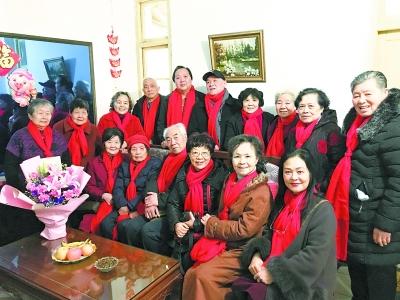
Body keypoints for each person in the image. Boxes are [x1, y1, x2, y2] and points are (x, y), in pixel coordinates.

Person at [326, 71, 400, 300]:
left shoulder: (393, 127)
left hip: (378, 222)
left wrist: (384, 224)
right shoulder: (357, 123)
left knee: (378, 285)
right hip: (358, 215)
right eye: (356, 95)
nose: (361, 100)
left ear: (385, 94)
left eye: (368, 94)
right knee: (358, 280)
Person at [233, 149, 336, 300]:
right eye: (288, 172)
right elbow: (269, 233)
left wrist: (275, 274)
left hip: (302, 282)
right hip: (272, 267)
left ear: (310, 173)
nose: (294, 177)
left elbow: (315, 255)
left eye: (300, 172)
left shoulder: (323, 209)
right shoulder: (282, 202)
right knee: (237, 288)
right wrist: (256, 254)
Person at [182, 134, 272, 299]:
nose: (242, 161)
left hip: (242, 248)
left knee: (200, 275)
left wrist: (212, 224)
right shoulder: (230, 180)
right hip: (224, 241)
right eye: (237, 156)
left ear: (257, 158)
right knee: (191, 270)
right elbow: (221, 211)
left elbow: (244, 229)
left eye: (247, 156)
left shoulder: (261, 191)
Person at [1, 98, 68, 245]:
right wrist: (19, 189)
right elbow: (10, 165)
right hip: (26, 193)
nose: (45, 116)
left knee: (53, 232)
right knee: (30, 236)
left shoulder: (58, 136)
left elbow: (66, 163)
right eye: (40, 113)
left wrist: (63, 185)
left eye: (48, 113)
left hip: (53, 192)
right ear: (30, 115)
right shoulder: (19, 136)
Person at [166, 132, 228, 271]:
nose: (200, 157)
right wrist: (176, 224)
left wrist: (195, 224)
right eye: (195, 153)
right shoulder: (183, 172)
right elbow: (173, 203)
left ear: (211, 154)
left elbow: (220, 211)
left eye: (204, 153)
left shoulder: (221, 175)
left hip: (208, 227)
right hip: (185, 220)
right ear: (188, 154)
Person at [100, 134, 161, 244]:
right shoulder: (124, 165)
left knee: (126, 227)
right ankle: (111, 253)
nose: (138, 152)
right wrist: (122, 205)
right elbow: (118, 187)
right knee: (105, 224)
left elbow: (147, 189)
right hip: (124, 204)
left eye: (141, 148)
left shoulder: (154, 164)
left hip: (141, 204)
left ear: (147, 150)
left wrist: (129, 207)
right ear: (129, 151)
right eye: (134, 149)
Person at [140, 123, 188, 255]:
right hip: (159, 203)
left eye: (176, 137)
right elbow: (154, 177)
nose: (172, 142)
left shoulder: (189, 159)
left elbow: (181, 191)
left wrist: (158, 200)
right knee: (127, 226)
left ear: (185, 137)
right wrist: (151, 197)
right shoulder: (168, 157)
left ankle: (163, 266)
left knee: (147, 230)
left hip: (174, 208)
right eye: (168, 139)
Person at [285, 88, 344, 193]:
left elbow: (338, 165)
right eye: (302, 106)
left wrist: (322, 187)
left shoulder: (331, 130)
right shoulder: (293, 130)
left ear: (322, 108)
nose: (305, 110)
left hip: (318, 191)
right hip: (294, 187)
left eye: (311, 106)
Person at [85, 128, 125, 234]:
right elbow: (89, 186)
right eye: (109, 142)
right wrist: (103, 195)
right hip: (105, 200)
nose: (113, 145)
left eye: (116, 142)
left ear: (121, 144)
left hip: (123, 200)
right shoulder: (94, 163)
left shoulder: (127, 160)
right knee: (103, 224)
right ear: (104, 143)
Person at [189, 70, 239, 149]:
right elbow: (193, 132)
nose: (211, 84)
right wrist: (207, 145)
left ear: (225, 83)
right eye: (208, 82)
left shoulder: (236, 105)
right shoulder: (198, 106)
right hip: (205, 151)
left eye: (215, 80)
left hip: (230, 153)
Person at [156, 66, 204, 141]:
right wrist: (164, 140)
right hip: (172, 143)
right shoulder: (166, 100)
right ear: (174, 81)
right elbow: (161, 124)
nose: (182, 80)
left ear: (191, 79)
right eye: (178, 78)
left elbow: (204, 125)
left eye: (185, 76)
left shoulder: (202, 98)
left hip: (195, 143)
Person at [53, 98, 100, 167]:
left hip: (88, 170)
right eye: (77, 112)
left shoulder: (93, 129)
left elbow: (100, 150)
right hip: (64, 170)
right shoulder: (58, 127)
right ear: (70, 113)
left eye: (84, 112)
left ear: (87, 114)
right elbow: (54, 151)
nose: (80, 116)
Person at [265, 90, 298, 165]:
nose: (283, 106)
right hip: (269, 166)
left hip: (290, 165)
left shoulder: (299, 123)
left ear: (295, 105)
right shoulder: (273, 121)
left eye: (287, 103)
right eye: (279, 103)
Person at [132, 78, 167, 145]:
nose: (149, 89)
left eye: (152, 86)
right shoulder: (138, 105)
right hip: (142, 142)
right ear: (143, 90)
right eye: (146, 87)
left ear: (158, 88)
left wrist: (154, 140)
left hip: (161, 142)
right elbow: (134, 125)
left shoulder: (166, 102)